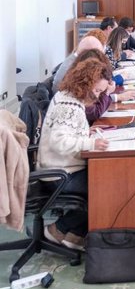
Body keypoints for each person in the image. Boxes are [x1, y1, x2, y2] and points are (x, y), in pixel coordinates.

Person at [38, 58, 112, 250]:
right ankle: (58, 228)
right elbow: (59, 141)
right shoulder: (69, 105)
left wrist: (86, 133)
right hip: (58, 173)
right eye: (96, 91)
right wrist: (90, 143)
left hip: (62, 166)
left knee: (105, 180)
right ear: (86, 83)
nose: (97, 96)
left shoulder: (70, 96)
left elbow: (68, 132)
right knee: (106, 188)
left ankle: (73, 236)